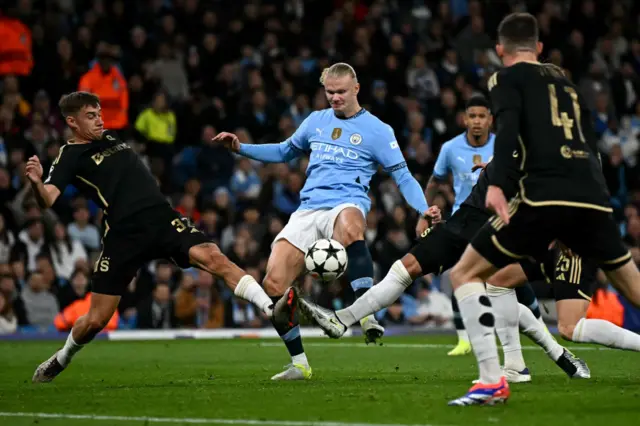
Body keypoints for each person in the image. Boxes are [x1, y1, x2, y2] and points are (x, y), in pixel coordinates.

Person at [28, 92, 291, 383]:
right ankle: (61, 359)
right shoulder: (69, 156)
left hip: (162, 218)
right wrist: (37, 184)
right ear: (71, 122)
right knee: (96, 320)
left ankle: (270, 308)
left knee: (214, 257)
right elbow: (48, 200)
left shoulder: (110, 138)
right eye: (91, 116)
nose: (99, 119)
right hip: (123, 235)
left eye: (99, 113)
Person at [446, 12, 640, 406]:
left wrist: (497, 183)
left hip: (545, 199)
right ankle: (514, 364)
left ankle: (491, 380)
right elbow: (589, 150)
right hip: (592, 199)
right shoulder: (570, 90)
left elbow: (509, 128)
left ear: (500, 51)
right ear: (538, 48)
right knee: (633, 287)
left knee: (465, 272)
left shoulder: (506, 78)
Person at [213, 63, 440, 380]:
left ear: (356, 89)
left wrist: (423, 208)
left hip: (347, 202)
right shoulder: (316, 121)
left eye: (341, 92)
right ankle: (300, 364)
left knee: (351, 225)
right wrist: (241, 148)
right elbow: (283, 151)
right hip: (308, 209)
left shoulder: (378, 130)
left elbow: (402, 177)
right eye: (329, 92)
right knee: (273, 284)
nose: (334, 98)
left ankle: (364, 313)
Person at [297, 160, 589, 384]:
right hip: (463, 221)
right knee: (405, 267)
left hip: (496, 232)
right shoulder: (516, 139)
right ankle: (341, 320)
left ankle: (538, 362)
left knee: (498, 292)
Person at [425, 94, 545, 357]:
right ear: (464, 119)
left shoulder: (505, 145)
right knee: (458, 273)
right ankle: (463, 339)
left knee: (506, 277)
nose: (477, 122)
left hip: (499, 220)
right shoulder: (450, 148)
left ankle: (538, 322)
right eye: (472, 116)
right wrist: (425, 211)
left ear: (490, 120)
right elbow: (435, 180)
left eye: (482, 116)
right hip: (463, 218)